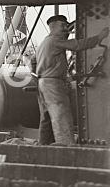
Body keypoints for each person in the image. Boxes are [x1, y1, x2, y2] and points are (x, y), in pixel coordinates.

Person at [35, 15, 108, 145]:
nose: (65, 28)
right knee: (61, 115)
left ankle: (43, 145)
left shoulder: (44, 42)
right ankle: (67, 147)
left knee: (46, 118)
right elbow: (77, 45)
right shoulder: (55, 40)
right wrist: (99, 37)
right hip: (53, 84)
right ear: (54, 27)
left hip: (43, 82)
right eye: (62, 26)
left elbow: (33, 62)